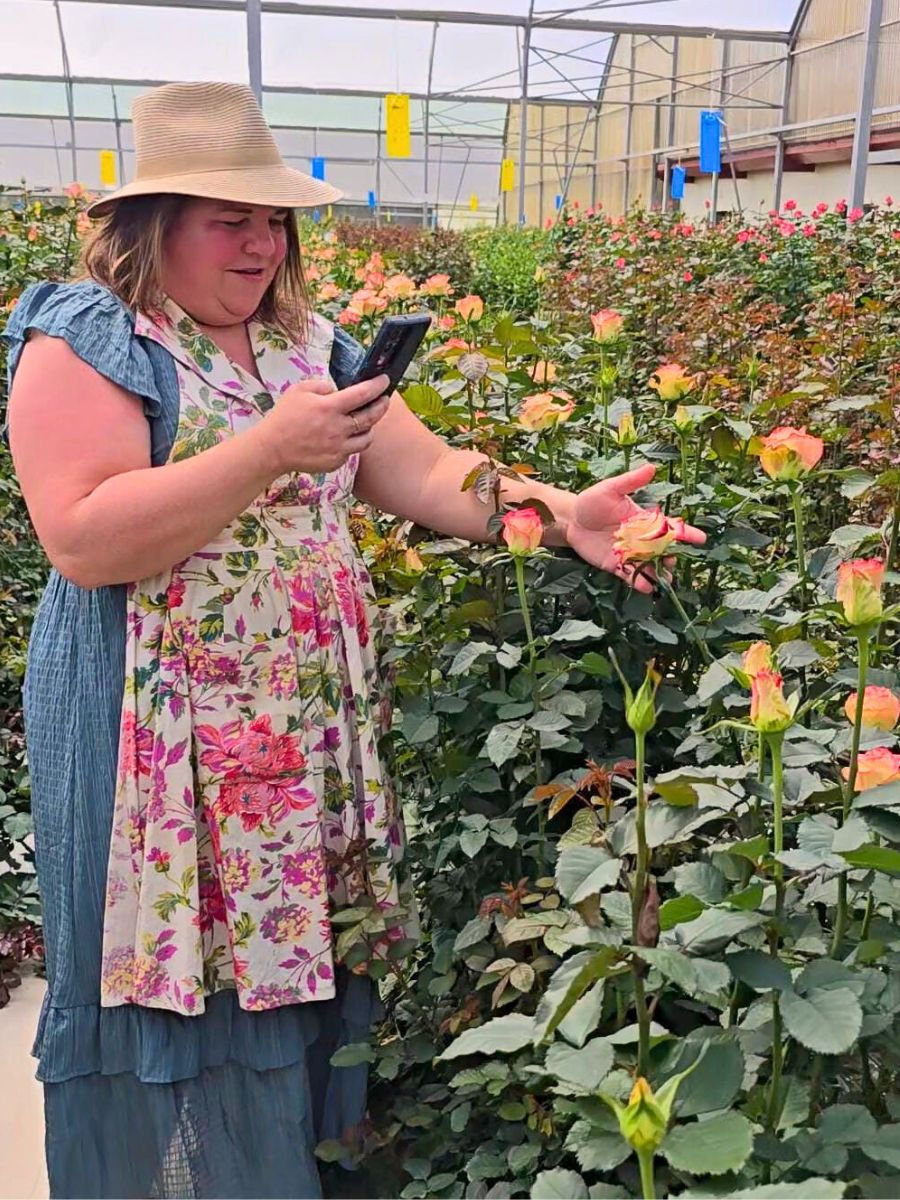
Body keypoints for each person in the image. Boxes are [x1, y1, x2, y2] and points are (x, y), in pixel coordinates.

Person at [3, 82, 703, 1199]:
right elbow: (84, 539)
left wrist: (557, 512)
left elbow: (419, 472)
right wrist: (268, 449)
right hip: (157, 732)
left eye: (272, 219)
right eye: (228, 217)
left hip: (296, 725)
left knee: (287, 959)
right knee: (174, 975)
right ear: (152, 224)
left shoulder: (306, 343)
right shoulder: (89, 339)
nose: (259, 240)